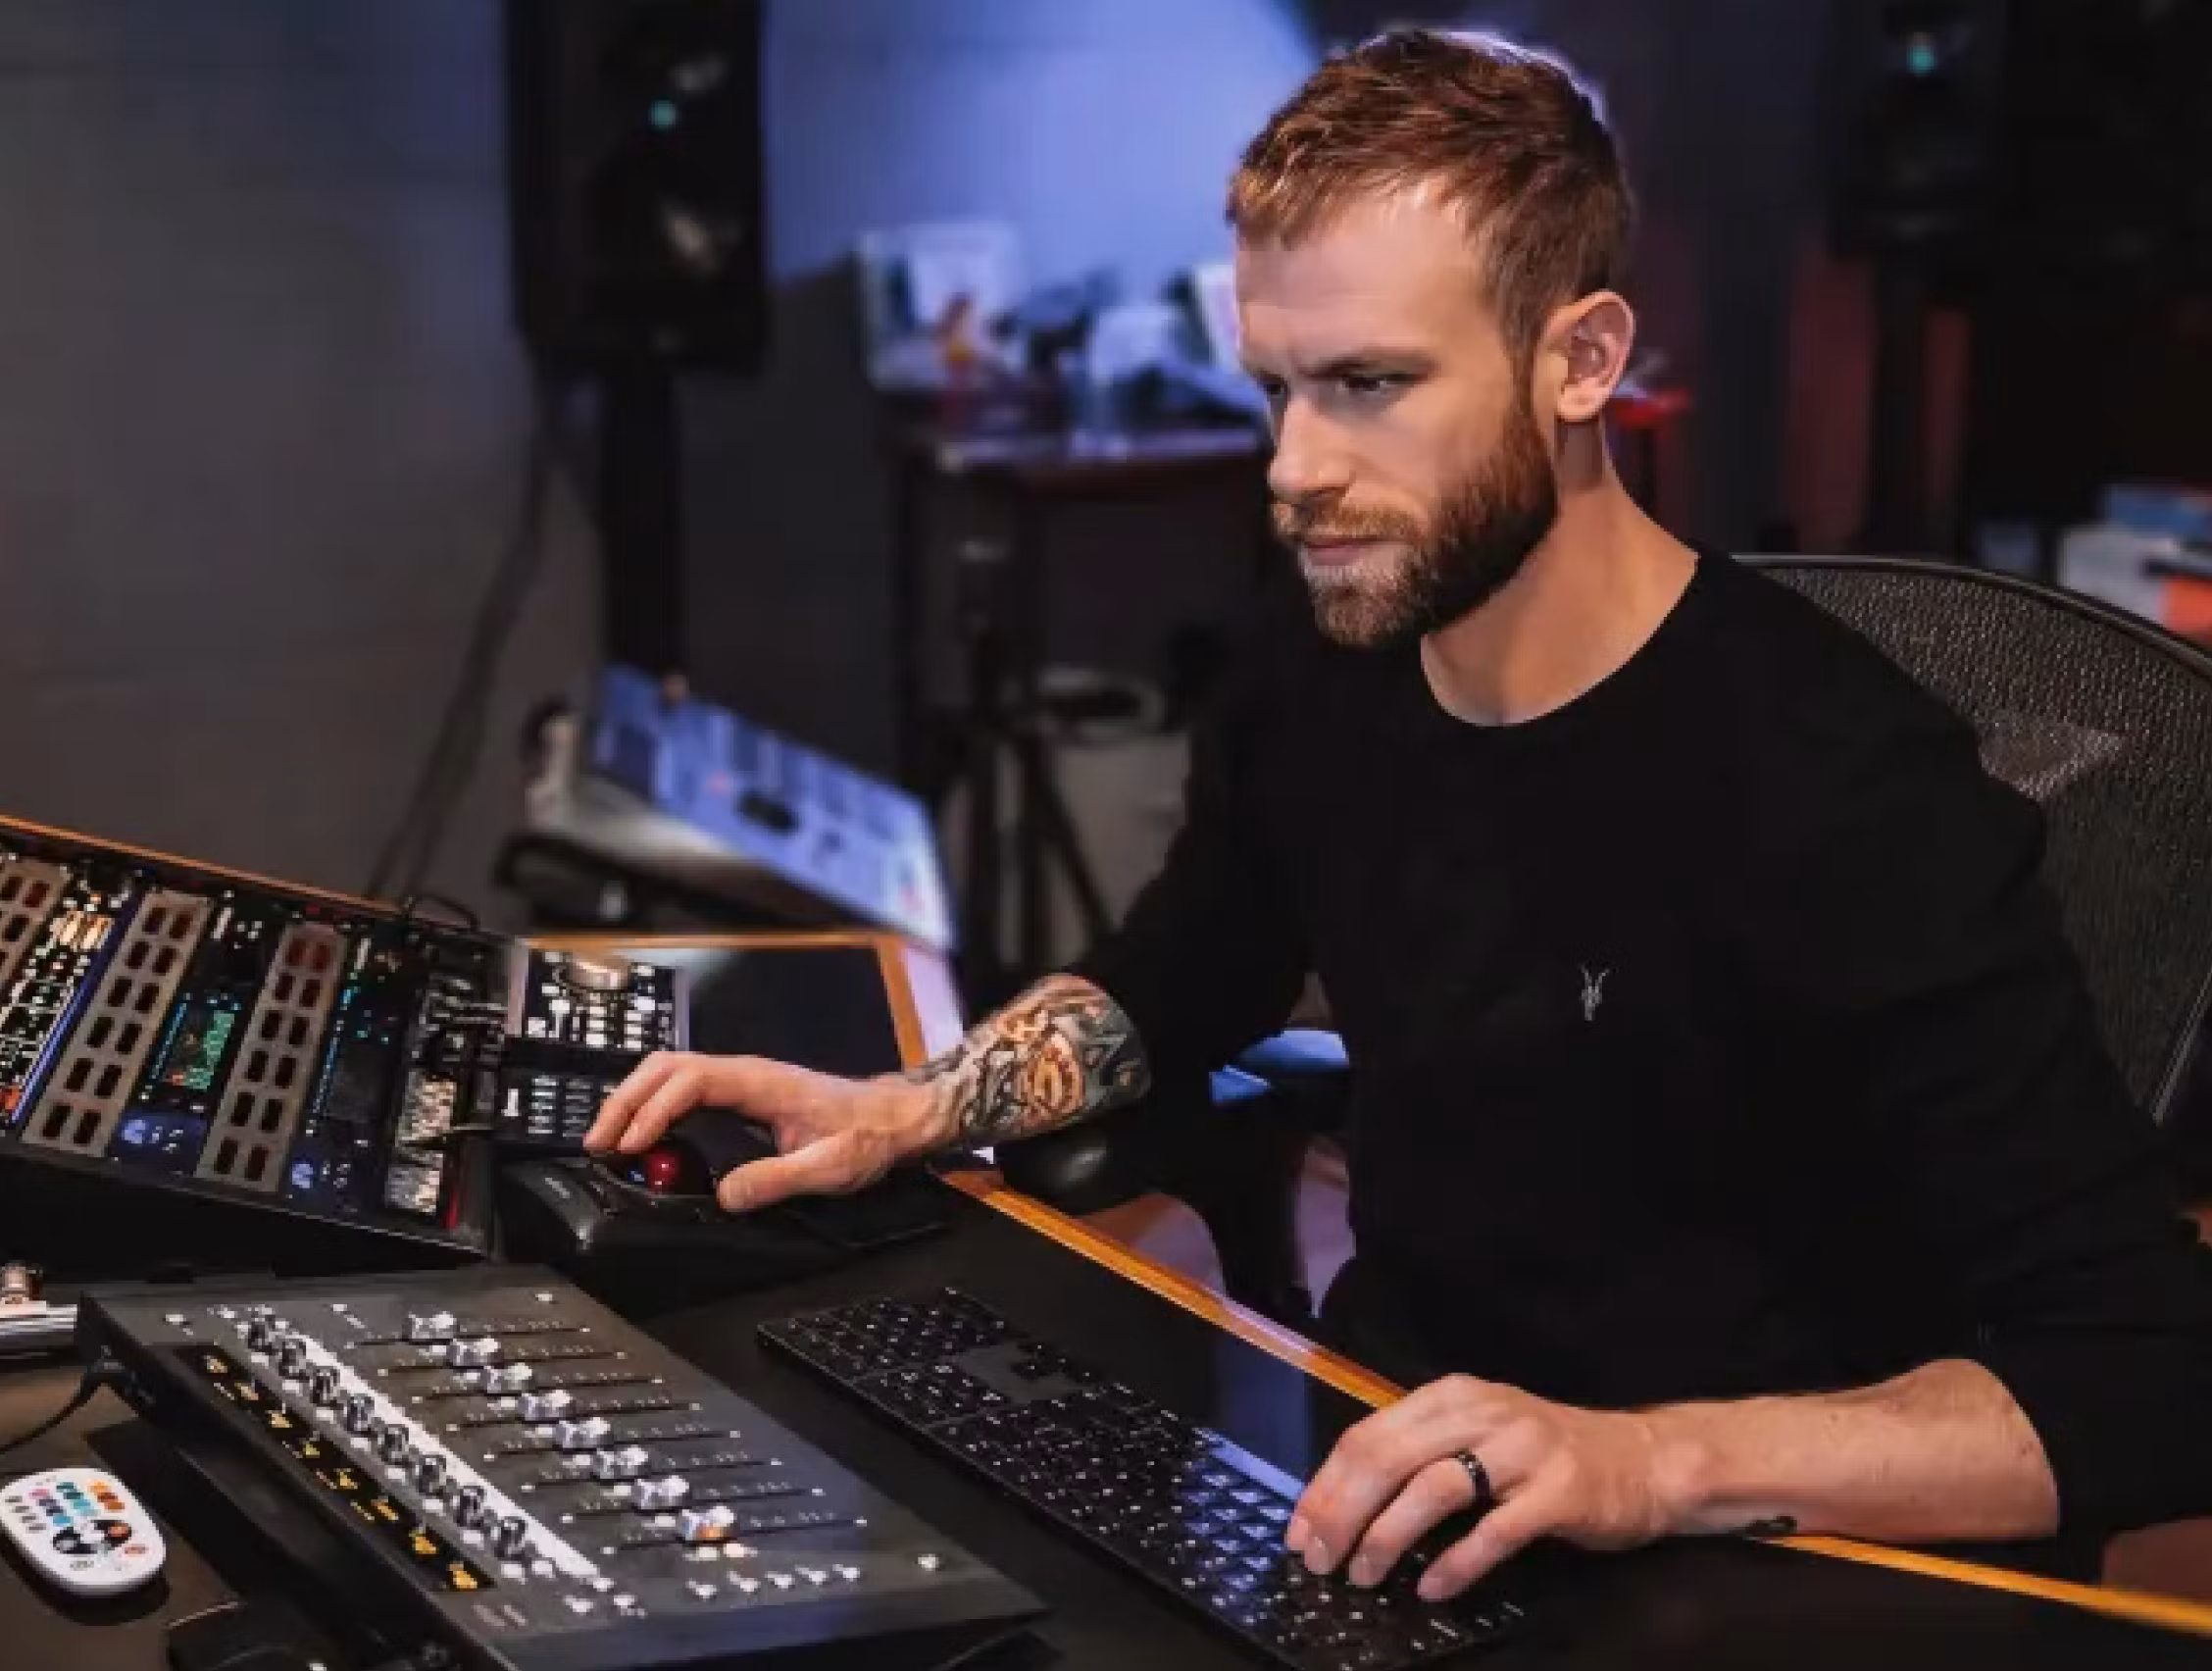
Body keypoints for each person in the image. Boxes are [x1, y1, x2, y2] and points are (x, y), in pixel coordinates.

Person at [588, 28, 2212, 1600]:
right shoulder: (1326, 671)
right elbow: (1182, 982)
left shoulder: (1844, 784)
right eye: (1277, 388)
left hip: (1736, 1549)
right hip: (1389, 1484)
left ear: (1581, 360)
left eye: (1368, 385)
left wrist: (1642, 1465)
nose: (1294, 469)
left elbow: (2138, 1383)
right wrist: (912, 1108)